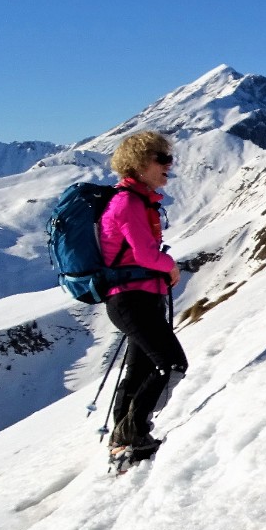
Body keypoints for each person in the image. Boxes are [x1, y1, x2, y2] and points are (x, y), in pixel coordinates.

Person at [100, 130, 188, 466]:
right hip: (130, 300)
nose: (169, 164)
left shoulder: (138, 200)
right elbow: (145, 255)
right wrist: (170, 267)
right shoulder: (128, 203)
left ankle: (122, 441)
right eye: (162, 159)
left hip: (136, 299)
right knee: (172, 363)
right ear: (139, 164)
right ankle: (133, 435)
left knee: (139, 371)